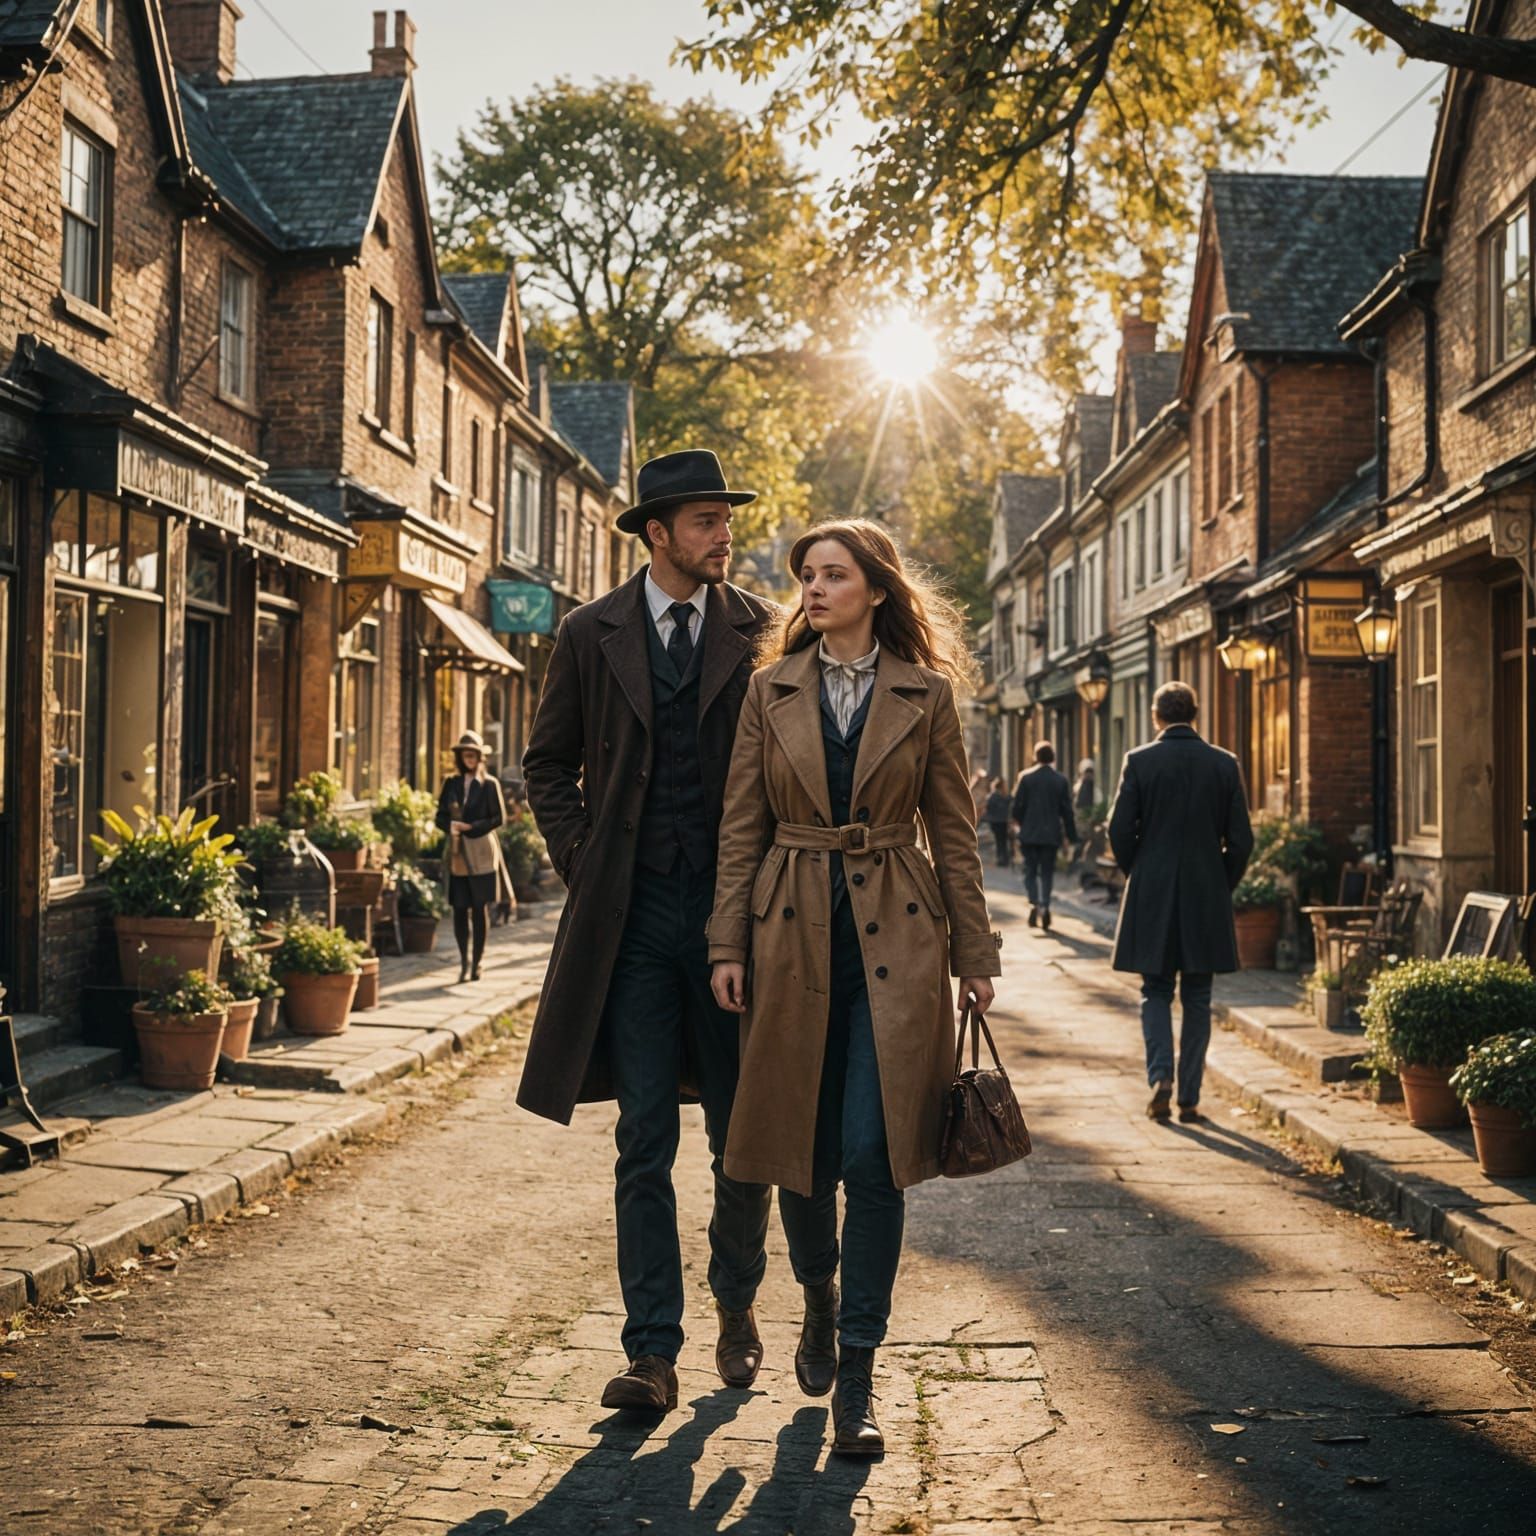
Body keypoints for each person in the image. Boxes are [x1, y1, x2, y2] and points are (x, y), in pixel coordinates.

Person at [708, 518, 1000, 1458]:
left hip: (901, 944)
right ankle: (821, 1300)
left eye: (833, 574)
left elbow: (953, 831)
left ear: (876, 588)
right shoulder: (769, 689)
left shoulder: (929, 695)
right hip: (790, 933)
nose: (814, 588)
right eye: (806, 575)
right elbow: (741, 826)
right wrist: (727, 944)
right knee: (800, 1153)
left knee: (876, 1159)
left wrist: (976, 956)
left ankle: (859, 1380)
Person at [518, 450, 778, 1417]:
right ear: (657, 533)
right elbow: (546, 767)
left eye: (725, 520)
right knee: (643, 1137)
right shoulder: (592, 633)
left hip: (734, 923)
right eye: (707, 521)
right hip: (628, 923)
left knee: (741, 1139)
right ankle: (652, 1352)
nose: (725, 536)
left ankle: (738, 1302)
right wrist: (587, 862)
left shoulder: (762, 632)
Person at [1107, 681, 1254, 1123]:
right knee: (1198, 995)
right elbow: (1242, 840)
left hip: (1151, 892)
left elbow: (1118, 831)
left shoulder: (1139, 761)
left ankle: (1160, 1078)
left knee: (1154, 990)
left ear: (1156, 717)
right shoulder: (1224, 765)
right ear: (1195, 715)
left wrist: (1141, 871)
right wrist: (1219, 881)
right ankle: (1189, 1096)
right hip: (1205, 894)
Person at [434, 730, 511, 983]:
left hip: (481, 854)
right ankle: (464, 960)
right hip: (458, 855)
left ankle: (477, 963)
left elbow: (498, 818)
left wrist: (472, 828)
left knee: (479, 909)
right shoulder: (451, 784)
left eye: (473, 754)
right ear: (460, 756)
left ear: (479, 757)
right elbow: (440, 817)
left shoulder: (490, 785)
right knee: (459, 909)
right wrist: (451, 827)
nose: (469, 758)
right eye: (465, 754)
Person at [1010, 741, 1076, 931]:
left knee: (1029, 871)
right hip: (1051, 835)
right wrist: (1071, 837)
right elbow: (1067, 811)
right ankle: (1045, 905)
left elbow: (1017, 808)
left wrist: (1019, 824)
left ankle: (1034, 903)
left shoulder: (1025, 778)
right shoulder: (1060, 780)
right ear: (1052, 757)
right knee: (1047, 872)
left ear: (1035, 757)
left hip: (1029, 834)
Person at [983, 777, 1014, 868]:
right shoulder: (999, 796)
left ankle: (1002, 858)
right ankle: (1003, 858)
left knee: (1000, 840)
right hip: (1000, 821)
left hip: (998, 821)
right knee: (1002, 840)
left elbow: (988, 807)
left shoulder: (994, 796)